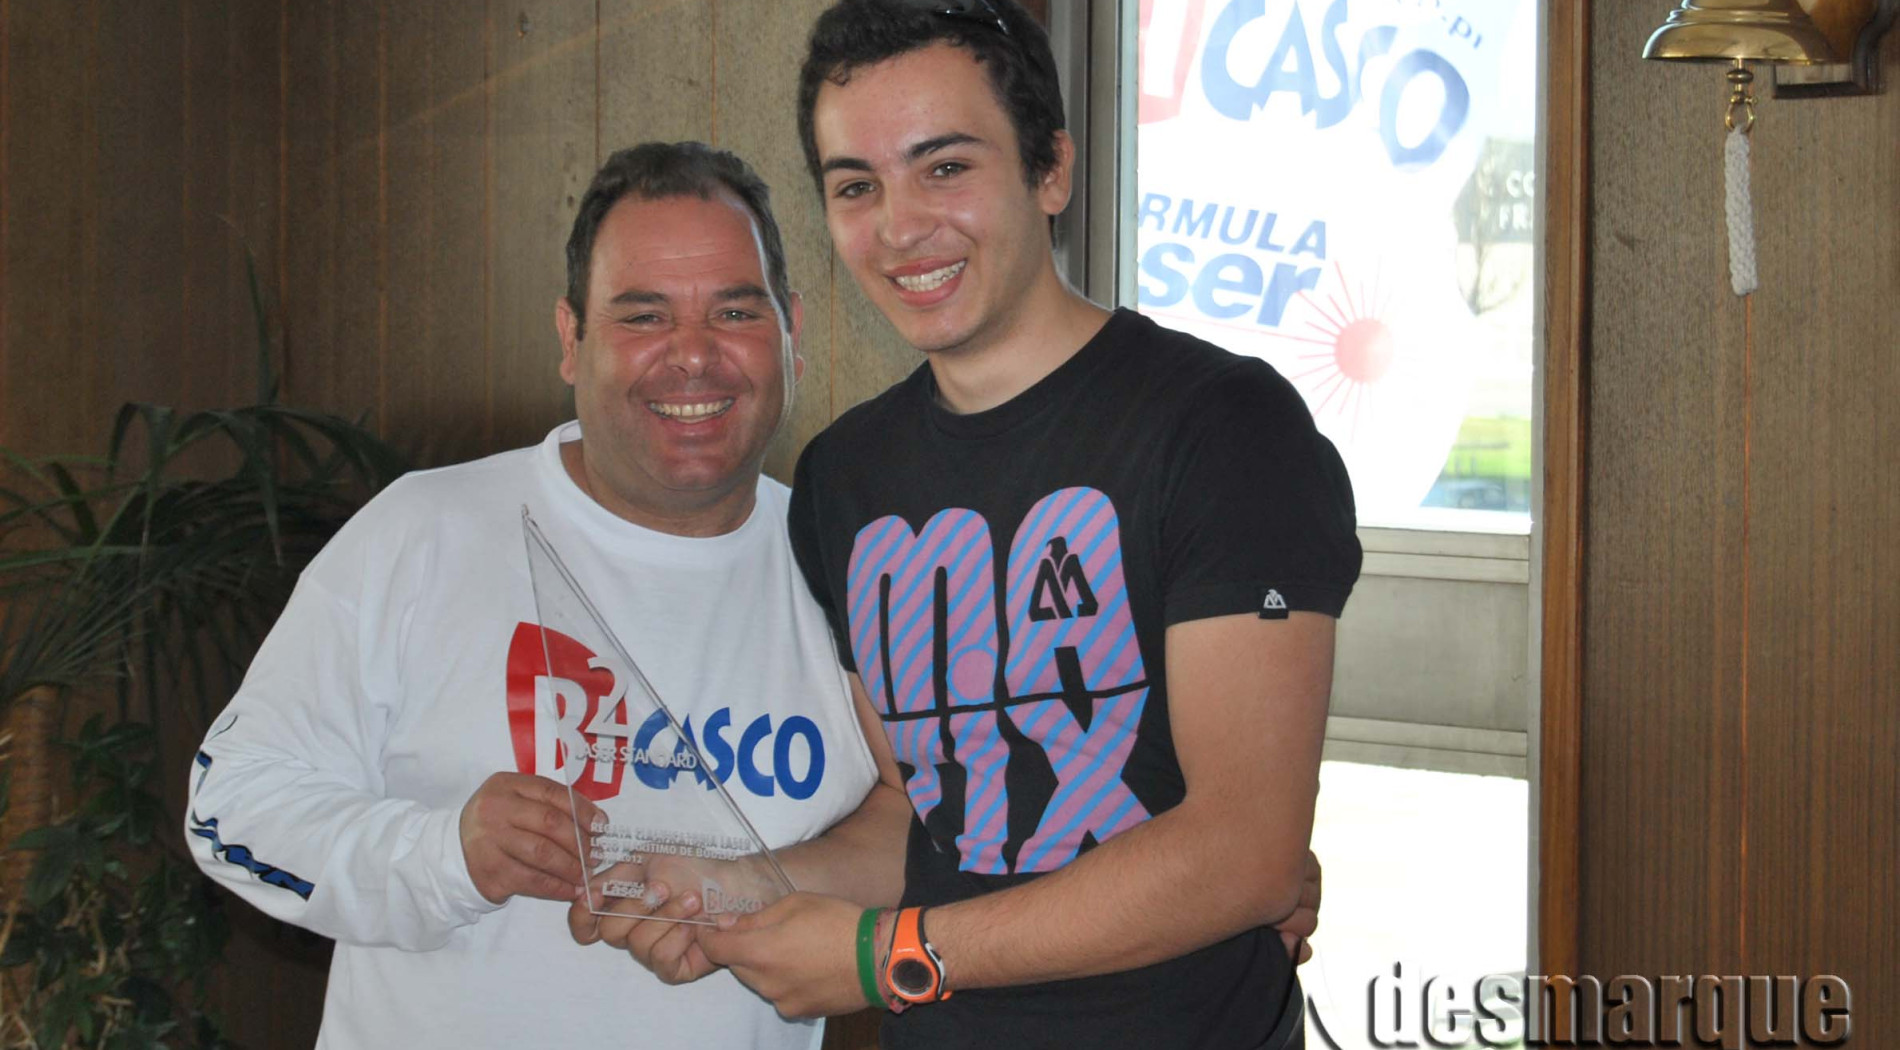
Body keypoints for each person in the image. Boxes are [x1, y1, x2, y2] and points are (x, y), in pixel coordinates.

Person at [669, 2, 1362, 1047]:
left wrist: (888, 955)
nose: (899, 226)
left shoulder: (1222, 427)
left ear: (1052, 172)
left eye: (945, 167)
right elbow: (919, 816)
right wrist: (735, 887)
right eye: (856, 186)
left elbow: (1244, 852)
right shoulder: (844, 478)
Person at [183, 141, 878, 1049]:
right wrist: (448, 856)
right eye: (644, 315)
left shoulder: (848, 568)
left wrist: (756, 881)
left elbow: (932, 835)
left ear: (791, 330)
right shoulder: (425, 532)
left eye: (735, 311)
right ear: (570, 338)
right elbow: (228, 808)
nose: (694, 356)